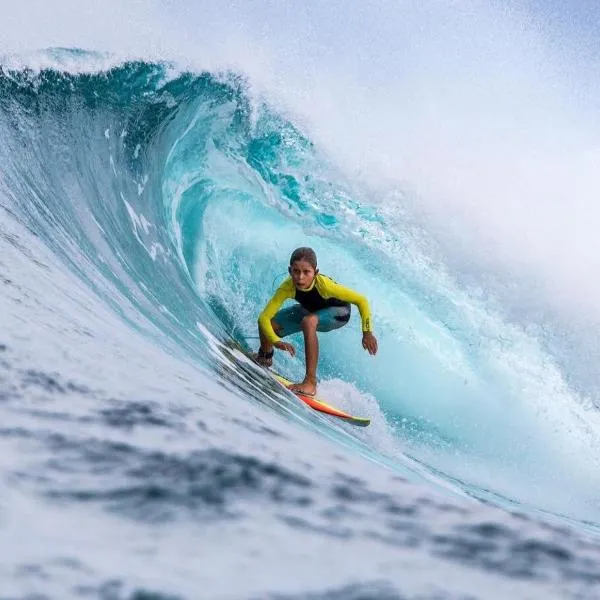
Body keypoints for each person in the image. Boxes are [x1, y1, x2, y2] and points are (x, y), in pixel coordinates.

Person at [254, 247, 378, 396]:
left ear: (315, 273)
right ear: (290, 270)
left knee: (308, 321)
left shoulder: (324, 286)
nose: (300, 277)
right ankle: (265, 357)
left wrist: (367, 332)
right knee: (271, 324)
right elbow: (264, 318)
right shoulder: (288, 287)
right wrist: (275, 341)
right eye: (296, 271)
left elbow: (361, 300)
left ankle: (310, 383)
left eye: (306, 272)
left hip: (338, 313)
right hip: (310, 311)